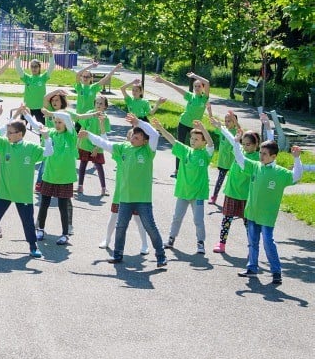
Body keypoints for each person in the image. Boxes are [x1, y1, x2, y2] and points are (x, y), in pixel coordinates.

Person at [81, 114, 168, 268]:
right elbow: (105, 143)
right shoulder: (123, 147)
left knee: (150, 227)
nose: (133, 138)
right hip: (125, 198)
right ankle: (117, 254)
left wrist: (139, 122)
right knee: (121, 226)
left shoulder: (148, 151)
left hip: (142, 198)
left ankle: (160, 256)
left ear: (145, 141)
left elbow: (154, 134)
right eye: (133, 136)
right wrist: (89, 135)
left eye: (137, 137)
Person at [0, 107, 53, 256]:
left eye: (10, 133)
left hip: (23, 193)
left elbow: (48, 152)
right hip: (4, 191)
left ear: (19, 134)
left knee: (27, 221)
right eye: (7, 132)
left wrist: (47, 137)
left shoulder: (31, 148)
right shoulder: (4, 145)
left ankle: (33, 246)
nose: (7, 135)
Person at [231, 139, 304, 286]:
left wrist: (297, 158)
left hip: (267, 216)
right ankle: (252, 268)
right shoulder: (255, 166)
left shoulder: (280, 173)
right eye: (260, 153)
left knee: (268, 243)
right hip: (252, 213)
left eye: (264, 154)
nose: (261, 156)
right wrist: (236, 143)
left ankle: (276, 272)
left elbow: (297, 175)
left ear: (273, 157)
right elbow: (240, 158)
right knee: (252, 242)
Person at [209, 114, 271, 254]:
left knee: (247, 223)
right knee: (226, 219)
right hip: (231, 191)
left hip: (246, 195)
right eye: (243, 144)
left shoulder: (257, 158)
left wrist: (267, 126)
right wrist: (220, 127)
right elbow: (233, 140)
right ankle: (222, 243)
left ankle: (252, 246)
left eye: (248, 144)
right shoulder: (240, 150)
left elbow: (270, 143)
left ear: (256, 145)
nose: (245, 146)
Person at [152, 118, 214, 254]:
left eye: (197, 139)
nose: (193, 141)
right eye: (192, 138)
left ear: (203, 142)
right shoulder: (185, 151)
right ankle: (171, 239)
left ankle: (200, 243)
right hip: (183, 192)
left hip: (198, 194)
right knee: (177, 217)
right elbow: (172, 140)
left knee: (198, 220)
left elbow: (211, 143)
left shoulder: (205, 154)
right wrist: (161, 128)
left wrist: (203, 128)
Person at [152, 72, 211, 177]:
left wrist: (194, 76)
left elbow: (207, 82)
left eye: (199, 86)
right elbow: (175, 87)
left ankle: (191, 168)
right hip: (183, 123)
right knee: (180, 145)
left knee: (194, 146)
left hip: (195, 126)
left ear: (203, 88)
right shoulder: (190, 96)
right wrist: (163, 81)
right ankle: (177, 170)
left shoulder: (204, 98)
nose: (197, 88)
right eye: (195, 86)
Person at [33, 109, 77, 245]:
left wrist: (53, 113)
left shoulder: (71, 135)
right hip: (49, 176)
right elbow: (36, 126)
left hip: (65, 178)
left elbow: (67, 118)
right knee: (44, 204)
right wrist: (25, 113)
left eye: (60, 122)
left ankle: (64, 234)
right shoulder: (50, 133)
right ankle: (40, 229)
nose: (57, 124)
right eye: (56, 122)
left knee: (62, 206)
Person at [76, 95, 110, 196]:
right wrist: (78, 143)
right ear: (94, 104)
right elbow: (82, 127)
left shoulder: (105, 119)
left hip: (97, 146)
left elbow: (103, 135)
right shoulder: (89, 114)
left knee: (99, 166)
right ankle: (80, 186)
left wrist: (97, 148)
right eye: (97, 103)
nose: (98, 105)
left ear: (105, 106)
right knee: (83, 164)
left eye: (101, 104)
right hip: (85, 144)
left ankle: (103, 188)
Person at [16, 45, 55, 124]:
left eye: (36, 66)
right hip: (27, 108)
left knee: (42, 130)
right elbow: (18, 69)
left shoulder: (43, 78)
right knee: (20, 128)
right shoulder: (27, 78)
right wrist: (18, 56)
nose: (34, 68)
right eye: (32, 66)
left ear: (39, 67)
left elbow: (51, 67)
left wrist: (51, 53)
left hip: (40, 108)